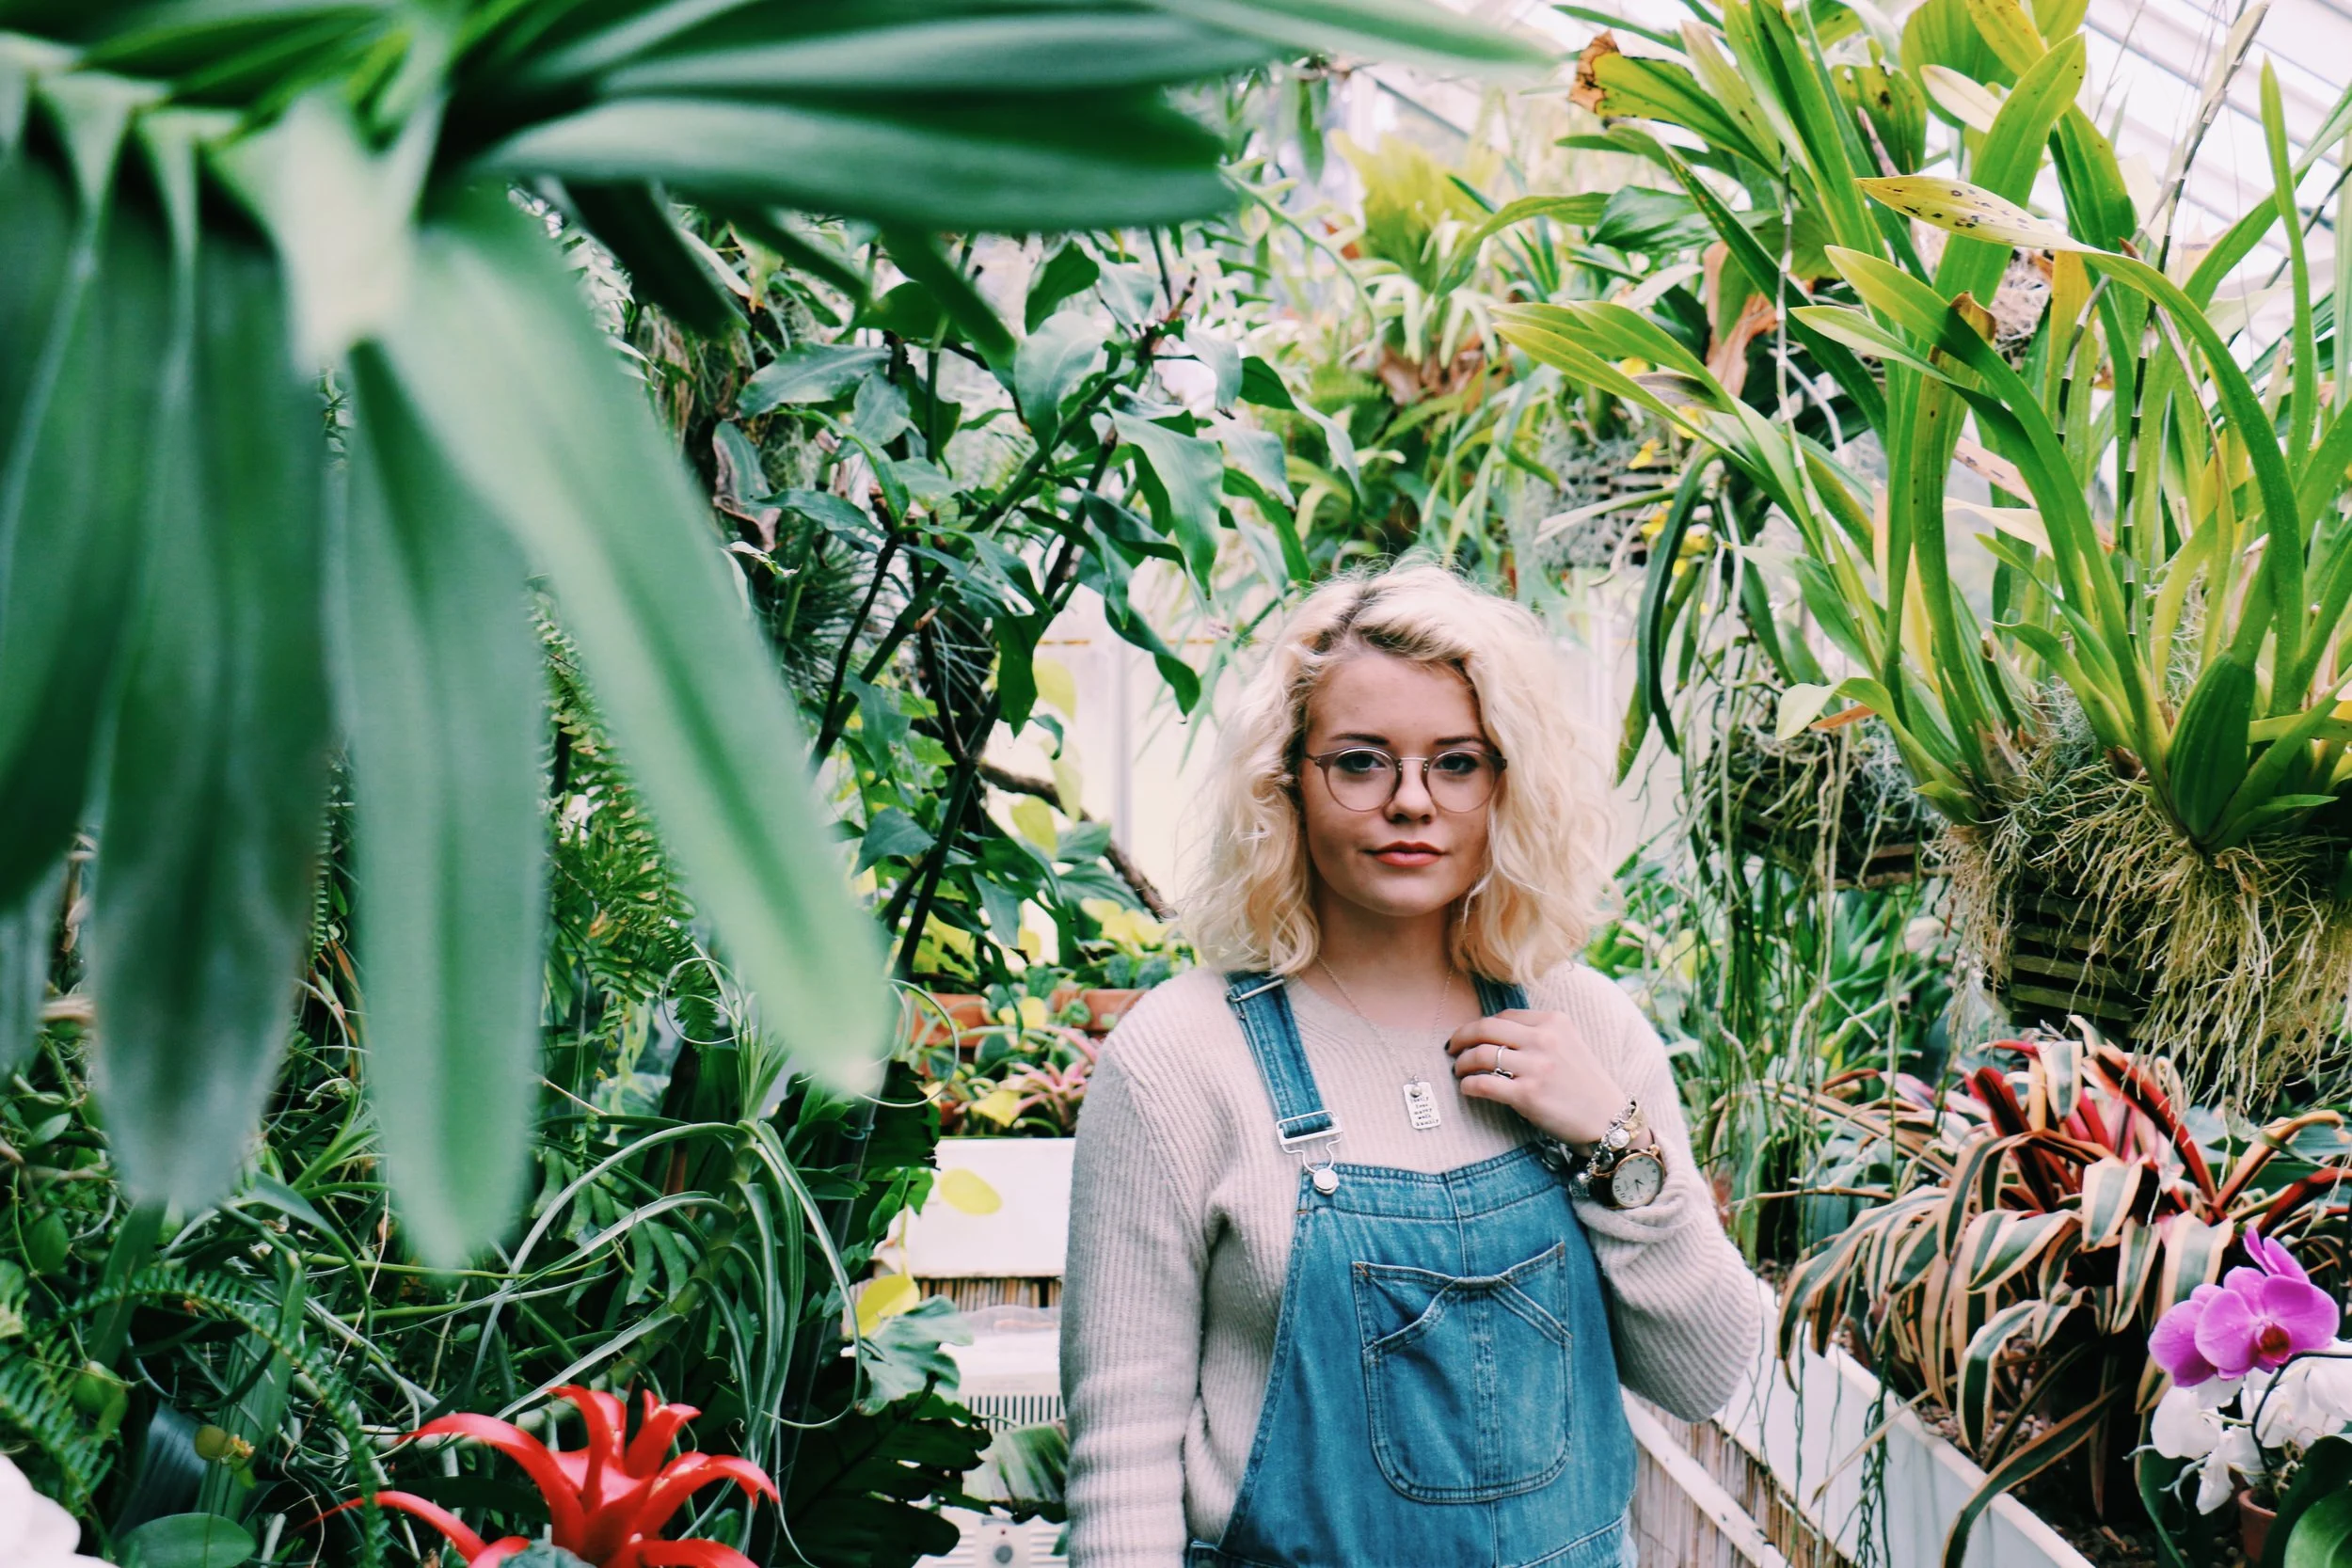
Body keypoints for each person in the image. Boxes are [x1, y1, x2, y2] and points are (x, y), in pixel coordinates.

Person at [1058, 562, 1762, 1567]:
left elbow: (1704, 1372)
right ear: (1286, 780)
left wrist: (1614, 1144)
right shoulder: (1179, 1058)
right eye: (1359, 761)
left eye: (1457, 761)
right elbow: (1122, 1460)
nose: (1410, 801)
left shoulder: (1587, 1027)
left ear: (1506, 780)